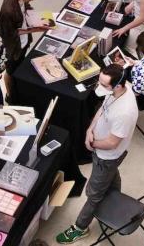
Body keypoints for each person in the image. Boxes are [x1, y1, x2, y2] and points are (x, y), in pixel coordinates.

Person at [55, 65, 138, 244]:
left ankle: (80, 228)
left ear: (118, 85)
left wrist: (91, 144)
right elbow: (102, 109)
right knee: (110, 175)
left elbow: (112, 143)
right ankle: (114, 199)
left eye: (104, 85)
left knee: (93, 195)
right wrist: (90, 130)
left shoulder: (125, 112)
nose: (99, 87)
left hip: (107, 157)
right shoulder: (118, 90)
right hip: (106, 158)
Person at [0, 0, 49, 102]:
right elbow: (11, 34)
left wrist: (37, 18)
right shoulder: (8, 11)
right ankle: (10, 96)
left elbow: (26, 6)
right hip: (12, 48)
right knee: (10, 72)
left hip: (22, 43)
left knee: (18, 69)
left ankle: (17, 91)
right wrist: (35, 29)